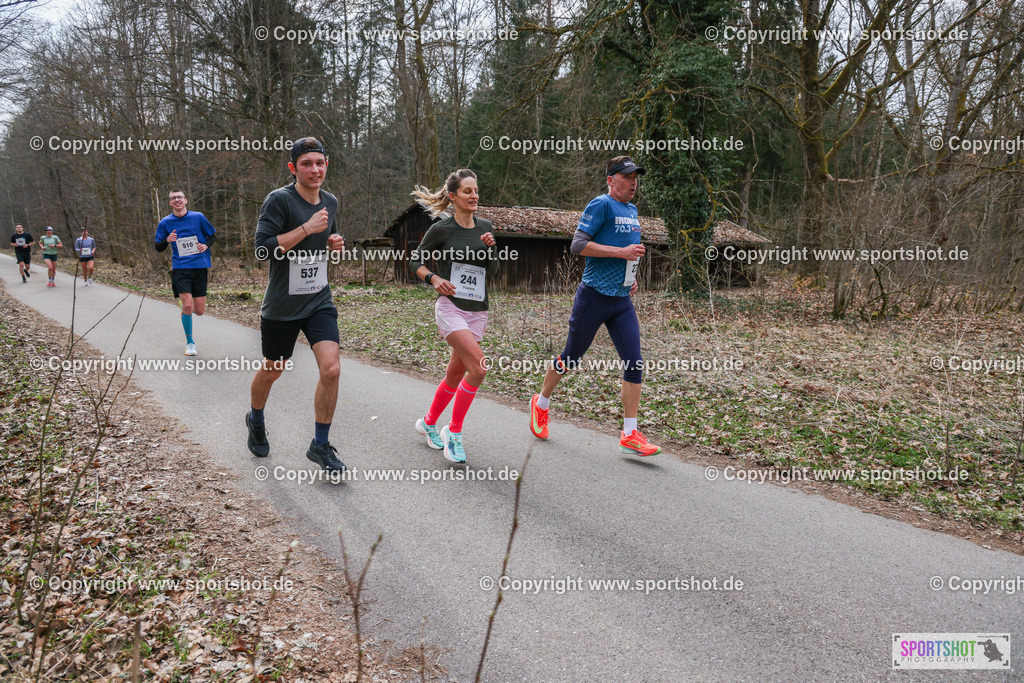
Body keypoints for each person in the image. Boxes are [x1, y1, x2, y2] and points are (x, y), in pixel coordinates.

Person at [529, 156, 661, 457]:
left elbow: (629, 253)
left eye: (636, 177)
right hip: (593, 298)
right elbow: (578, 245)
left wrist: (631, 277)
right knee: (571, 357)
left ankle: (629, 434)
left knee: (634, 363)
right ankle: (541, 402)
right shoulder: (601, 205)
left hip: (621, 301)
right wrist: (621, 252)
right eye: (627, 177)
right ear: (611, 180)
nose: (634, 183)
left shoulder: (632, 210)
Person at [247, 137, 346, 472]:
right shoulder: (279, 200)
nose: (314, 169)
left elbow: (326, 239)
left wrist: (334, 243)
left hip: (318, 299)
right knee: (273, 369)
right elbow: (262, 250)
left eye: (319, 163)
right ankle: (256, 419)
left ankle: (320, 444)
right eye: (306, 164)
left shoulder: (330, 201)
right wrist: (305, 228)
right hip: (283, 306)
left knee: (332, 368)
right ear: (293, 168)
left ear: (326, 164)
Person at [408, 169, 500, 464]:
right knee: (479, 368)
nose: (474, 196)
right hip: (451, 308)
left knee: (455, 374)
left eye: (476, 191)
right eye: (467, 191)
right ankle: (454, 431)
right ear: (453, 196)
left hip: (478, 310)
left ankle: (428, 422)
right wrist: (433, 278)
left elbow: (493, 272)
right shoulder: (442, 229)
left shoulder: (485, 227)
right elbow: (415, 260)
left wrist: (491, 249)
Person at [155, 190, 217, 356]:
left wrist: (205, 246)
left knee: (199, 311)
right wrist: (167, 240)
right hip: (180, 267)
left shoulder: (198, 217)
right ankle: (190, 343)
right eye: (173, 198)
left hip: (200, 266)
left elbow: (212, 236)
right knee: (188, 306)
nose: (177, 200)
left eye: (179, 197)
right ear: (170, 203)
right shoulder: (165, 222)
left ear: (185, 200)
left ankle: (185, 306)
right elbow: (158, 247)